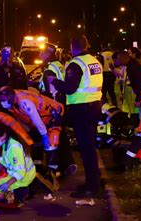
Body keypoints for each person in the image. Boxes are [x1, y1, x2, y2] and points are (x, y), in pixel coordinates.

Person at [47, 35, 103, 198]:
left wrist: (54, 81)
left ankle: (92, 187)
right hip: (94, 106)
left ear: (72, 47)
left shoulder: (76, 64)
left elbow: (70, 88)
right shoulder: (94, 61)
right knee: (90, 147)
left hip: (82, 109)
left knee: (86, 149)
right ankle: (94, 181)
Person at [0, 86, 76, 175]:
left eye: (4, 99)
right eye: (1, 99)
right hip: (44, 119)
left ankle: (56, 170)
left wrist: (44, 135)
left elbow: (36, 119)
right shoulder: (14, 100)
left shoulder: (24, 102)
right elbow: (23, 118)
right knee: (39, 142)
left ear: (11, 95)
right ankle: (42, 169)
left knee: (51, 144)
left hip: (53, 115)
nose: (2, 102)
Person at [0, 121, 36, 203]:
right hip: (16, 176)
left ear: (4, 135)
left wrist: (7, 184)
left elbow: (20, 172)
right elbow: (3, 161)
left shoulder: (14, 148)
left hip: (24, 177)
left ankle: (21, 191)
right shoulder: (6, 144)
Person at [112, 50, 141, 126]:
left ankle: (139, 127)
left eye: (120, 60)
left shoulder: (133, 67)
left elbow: (140, 83)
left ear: (124, 58)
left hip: (138, 95)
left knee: (137, 113)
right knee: (136, 113)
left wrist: (139, 98)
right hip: (136, 95)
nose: (119, 62)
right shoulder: (131, 65)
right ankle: (137, 125)